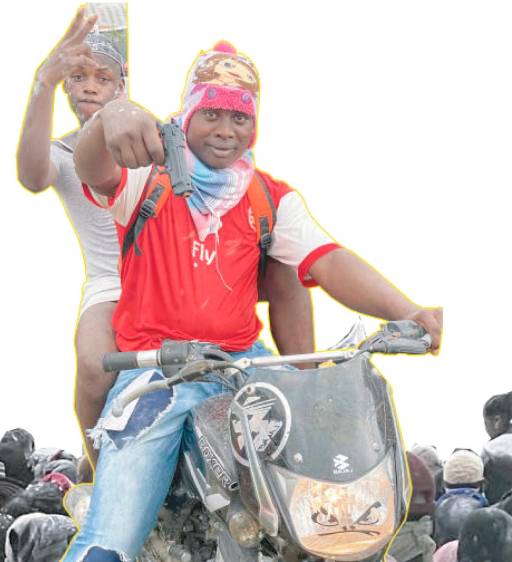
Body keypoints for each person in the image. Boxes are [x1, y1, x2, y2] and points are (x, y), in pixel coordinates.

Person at [61, 39, 442, 561]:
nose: (225, 129)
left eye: (240, 117)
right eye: (212, 113)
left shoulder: (269, 197)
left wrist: (408, 311)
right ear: (189, 112)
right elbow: (91, 167)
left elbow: (328, 260)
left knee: (323, 503)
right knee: (113, 539)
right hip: (161, 373)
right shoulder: (145, 181)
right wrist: (110, 119)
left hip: (246, 368)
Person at [15, 8, 316, 477]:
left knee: (289, 262)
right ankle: (104, 467)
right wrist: (42, 81)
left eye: (102, 77)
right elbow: (32, 176)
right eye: (77, 77)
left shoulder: (146, 132)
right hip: (114, 279)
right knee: (95, 367)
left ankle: (303, 397)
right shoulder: (64, 150)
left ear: (123, 85)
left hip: (191, 264)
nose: (90, 86)